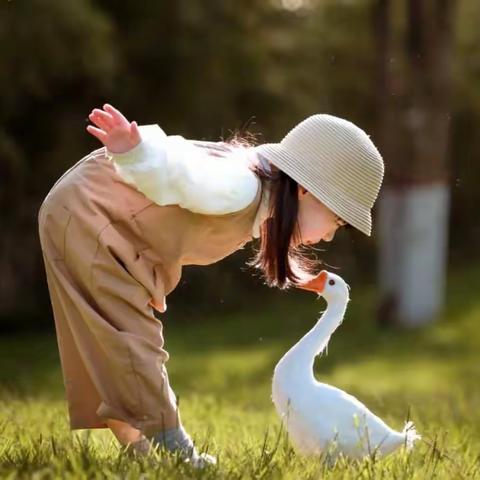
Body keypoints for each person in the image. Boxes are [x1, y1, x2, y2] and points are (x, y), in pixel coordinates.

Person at [37, 103, 384, 467]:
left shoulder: (254, 191)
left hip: (91, 220)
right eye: (337, 219)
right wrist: (137, 152)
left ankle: (144, 456)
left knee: (109, 348)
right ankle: (175, 452)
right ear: (305, 190)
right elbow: (182, 172)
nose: (330, 235)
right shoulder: (241, 186)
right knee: (129, 343)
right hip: (92, 219)